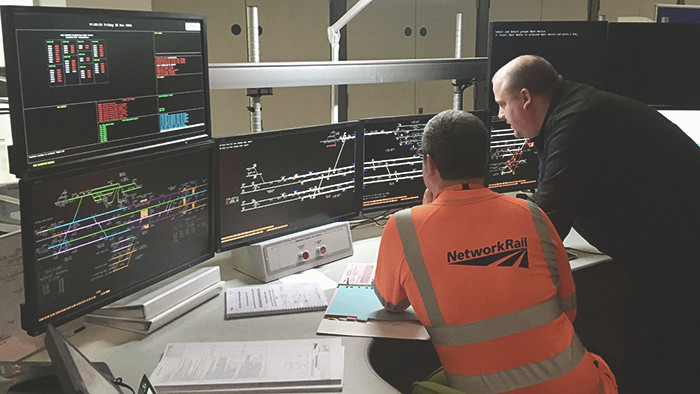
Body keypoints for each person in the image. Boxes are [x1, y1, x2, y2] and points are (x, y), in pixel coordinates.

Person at [492, 55, 700, 393]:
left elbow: (547, 225)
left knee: (674, 356)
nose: (501, 115)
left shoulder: (576, 121)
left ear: (525, 98)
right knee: (653, 347)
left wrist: (478, 225)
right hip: (664, 248)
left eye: (503, 103)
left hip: (680, 253)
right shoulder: (573, 109)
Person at [372, 109, 617, 393]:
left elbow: (391, 302)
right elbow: (568, 309)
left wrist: (427, 213)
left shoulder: (404, 227)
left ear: (429, 165)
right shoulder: (530, 213)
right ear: (486, 160)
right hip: (583, 384)